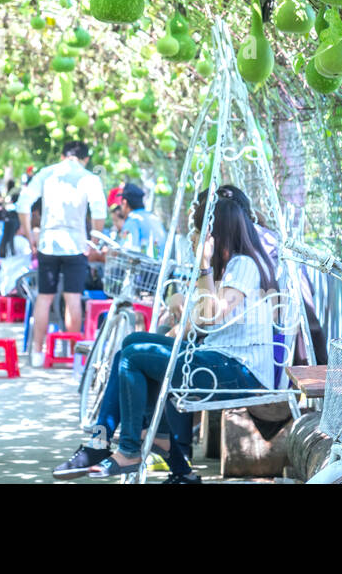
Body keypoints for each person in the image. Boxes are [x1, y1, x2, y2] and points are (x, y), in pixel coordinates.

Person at [89, 194, 279, 482]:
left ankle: (130, 447)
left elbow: (211, 314)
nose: (198, 237)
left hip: (238, 371)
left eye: (203, 231)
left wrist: (203, 265)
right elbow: (202, 317)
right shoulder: (234, 265)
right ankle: (165, 457)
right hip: (219, 360)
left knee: (133, 357)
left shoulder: (245, 265)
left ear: (217, 233)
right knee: (130, 346)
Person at [16, 141, 107, 368]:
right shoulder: (89, 178)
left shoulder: (46, 173)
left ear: (62, 155)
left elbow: (23, 204)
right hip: (76, 245)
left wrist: (30, 236)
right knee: (73, 298)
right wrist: (93, 242)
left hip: (48, 243)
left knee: (44, 298)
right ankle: (71, 354)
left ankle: (37, 352)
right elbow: (99, 211)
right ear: (85, 159)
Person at [118, 182, 168, 257]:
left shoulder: (133, 220)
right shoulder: (153, 218)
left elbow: (126, 250)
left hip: (143, 266)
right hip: (159, 266)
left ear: (125, 203)